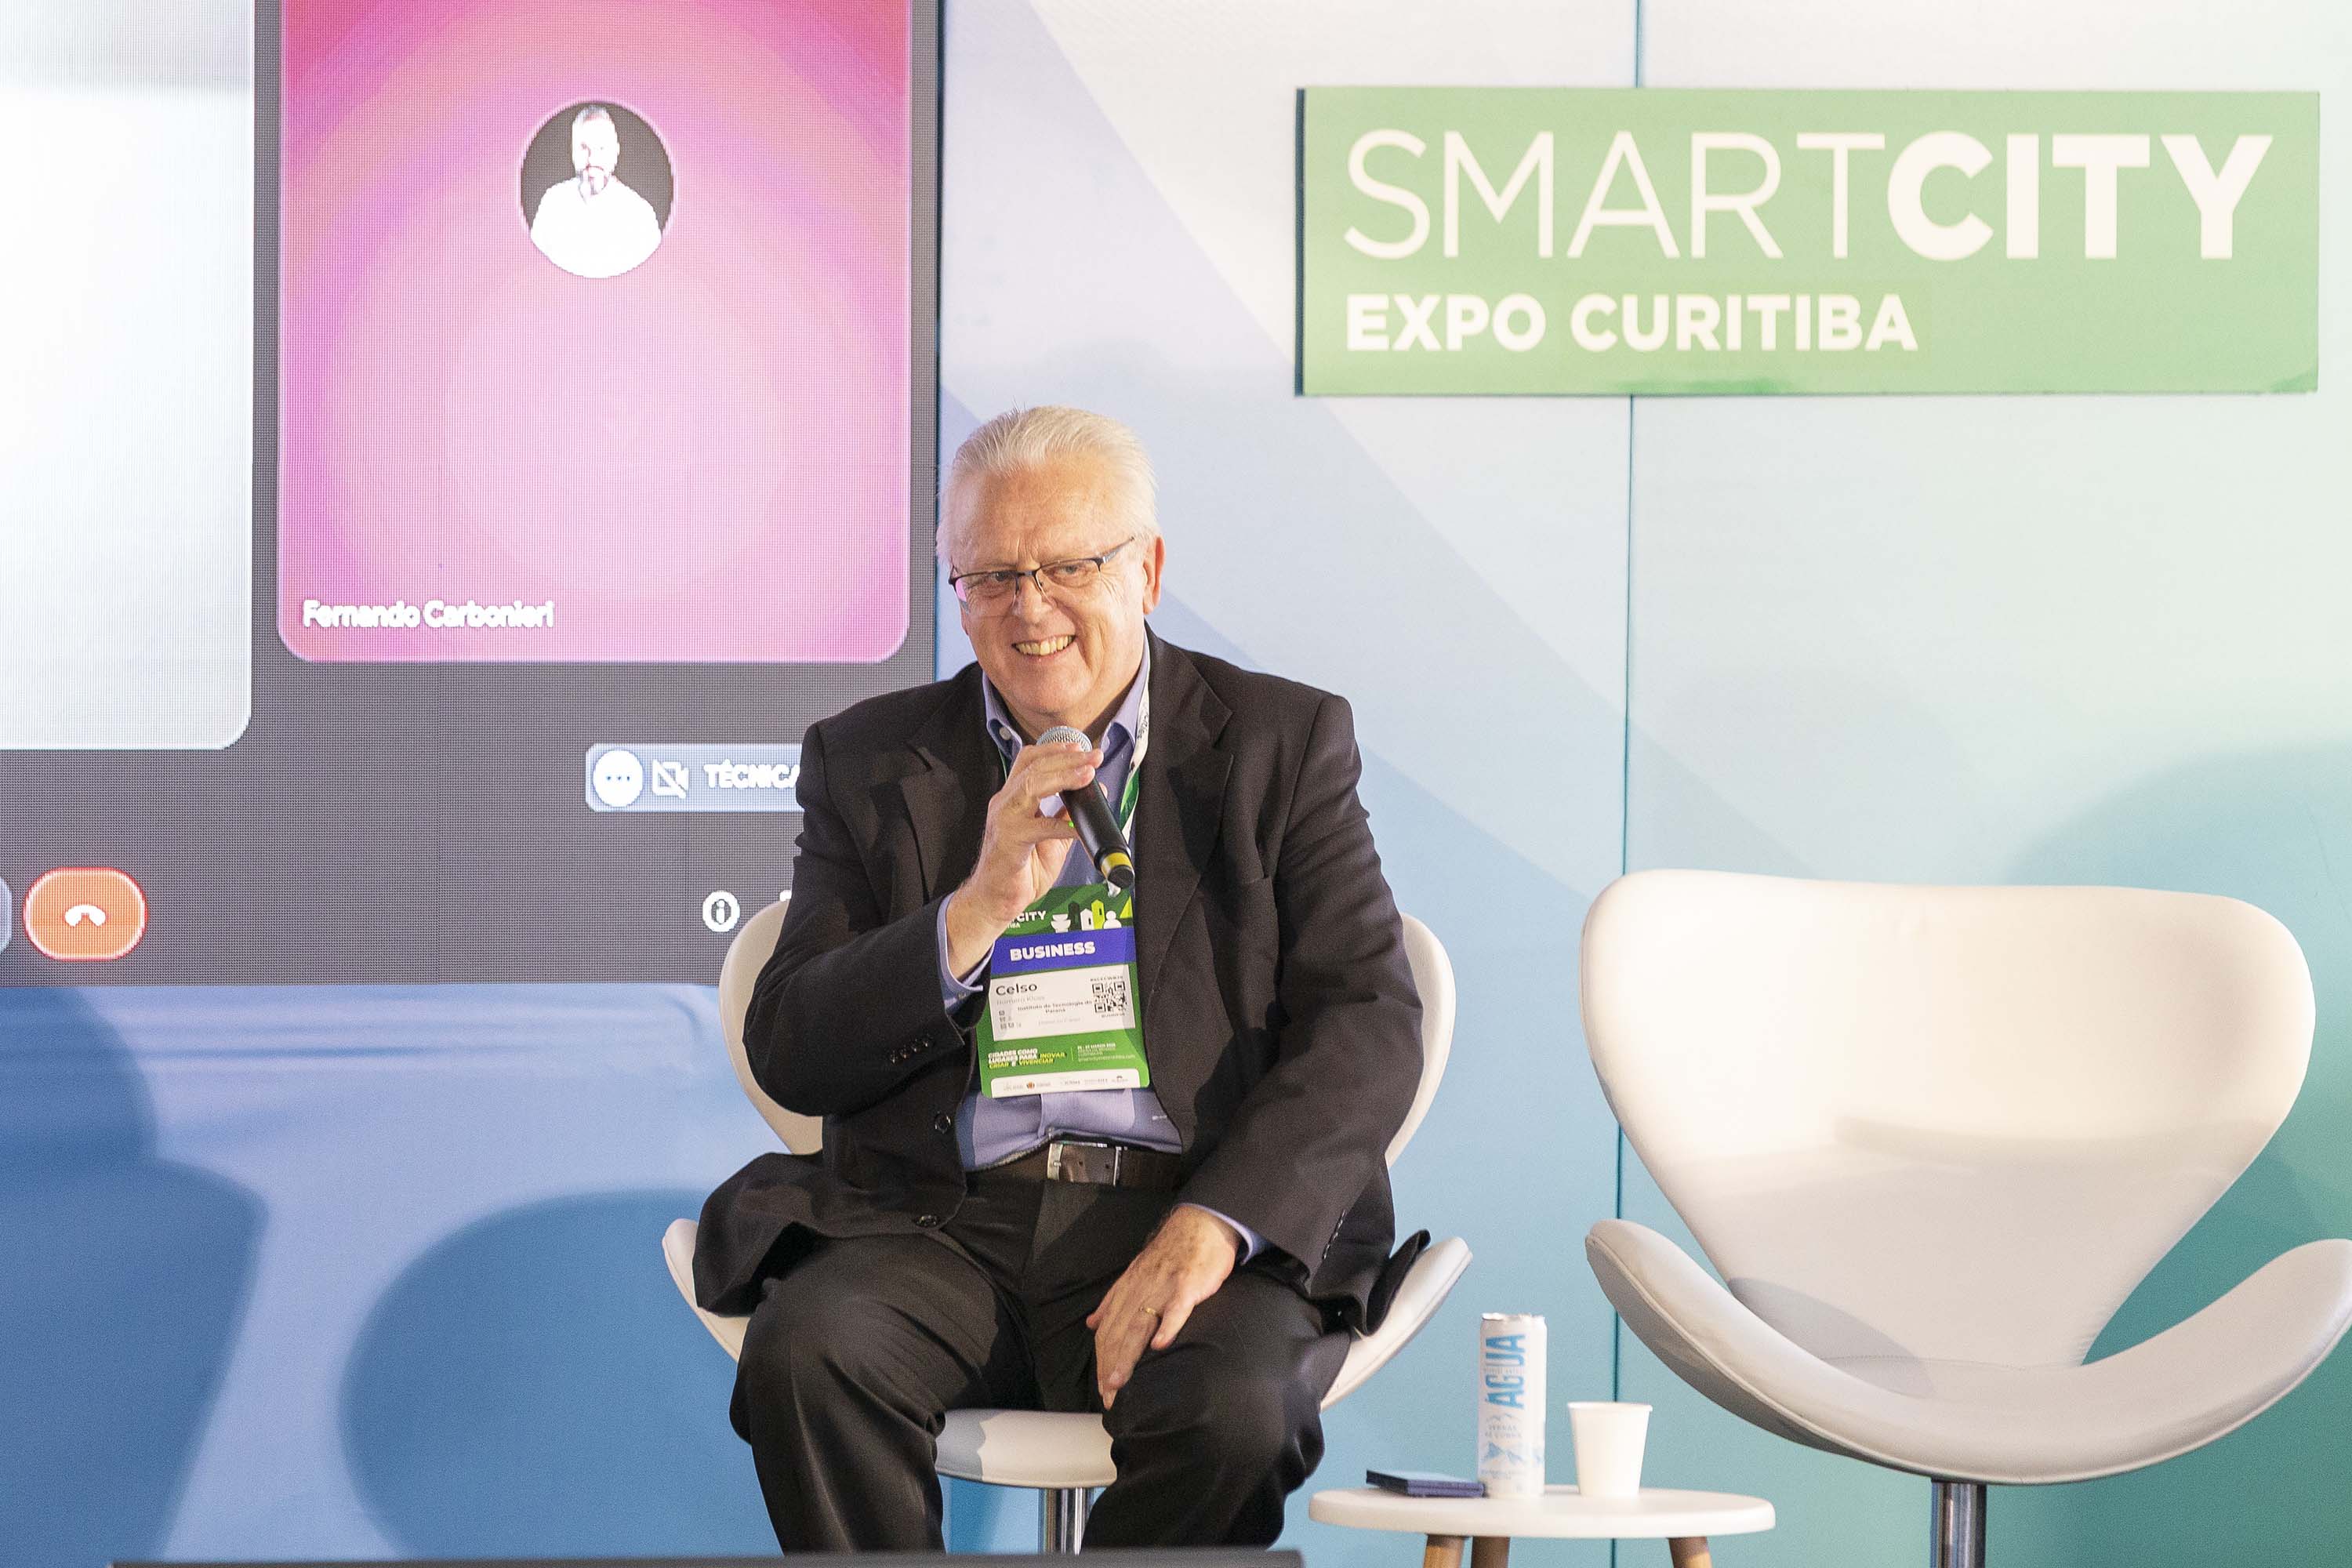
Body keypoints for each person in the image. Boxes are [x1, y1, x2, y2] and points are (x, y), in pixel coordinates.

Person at [694, 405, 1425, 1551]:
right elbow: (792, 1045)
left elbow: (1367, 1024)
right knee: (813, 1355)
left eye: (1069, 566)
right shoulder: (869, 758)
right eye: (991, 576)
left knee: (1236, 1414)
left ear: (1149, 572)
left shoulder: (1279, 743)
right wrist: (971, 913)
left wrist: (1216, 1226)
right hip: (943, 1219)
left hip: (1186, 1201)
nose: (1030, 609)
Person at [527, 104, 662, 279]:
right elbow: (533, 270)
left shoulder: (640, 215)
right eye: (584, 148)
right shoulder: (552, 202)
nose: (592, 159)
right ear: (573, 152)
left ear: (615, 153)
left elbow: (651, 280)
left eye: (601, 148)